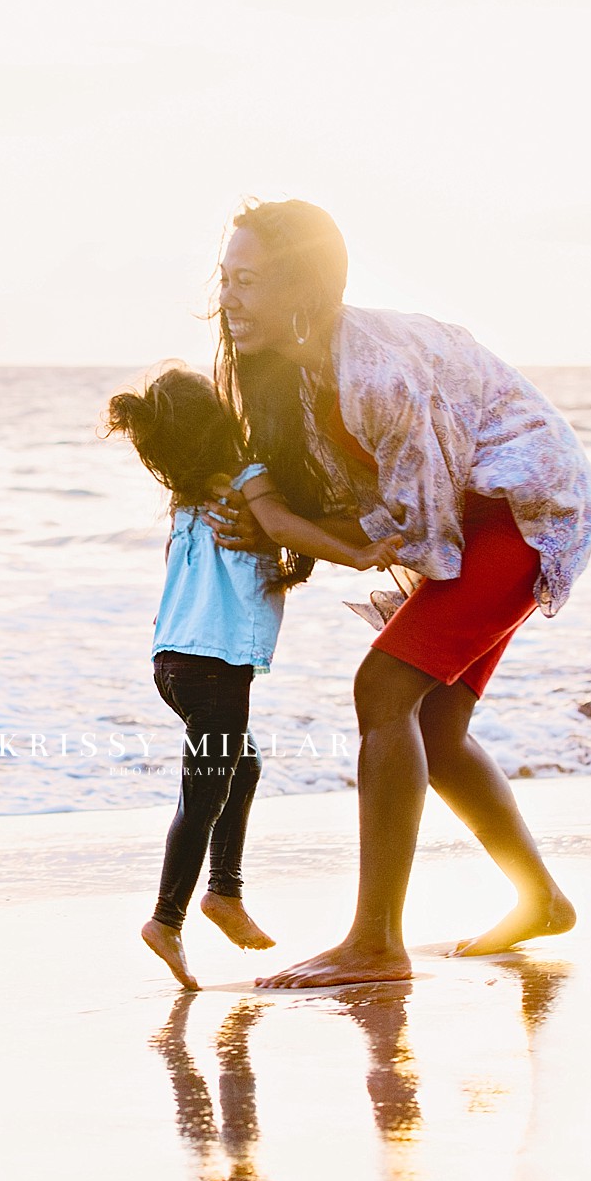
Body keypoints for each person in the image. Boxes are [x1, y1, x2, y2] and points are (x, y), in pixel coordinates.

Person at [206, 199, 591, 988]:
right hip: (473, 514)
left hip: (526, 507)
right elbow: (369, 507)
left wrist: (286, 531)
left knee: (384, 688)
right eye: (225, 279)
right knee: (438, 727)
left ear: (303, 293)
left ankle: (376, 942)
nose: (230, 298)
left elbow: (413, 530)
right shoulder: (287, 373)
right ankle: (543, 901)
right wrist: (271, 519)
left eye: (248, 281)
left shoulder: (375, 369)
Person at [105, 366, 402, 990]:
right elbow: (286, 527)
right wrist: (357, 553)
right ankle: (168, 917)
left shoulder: (187, 498)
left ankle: (224, 894)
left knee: (242, 765)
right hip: (213, 666)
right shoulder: (245, 478)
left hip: (173, 664)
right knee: (206, 791)